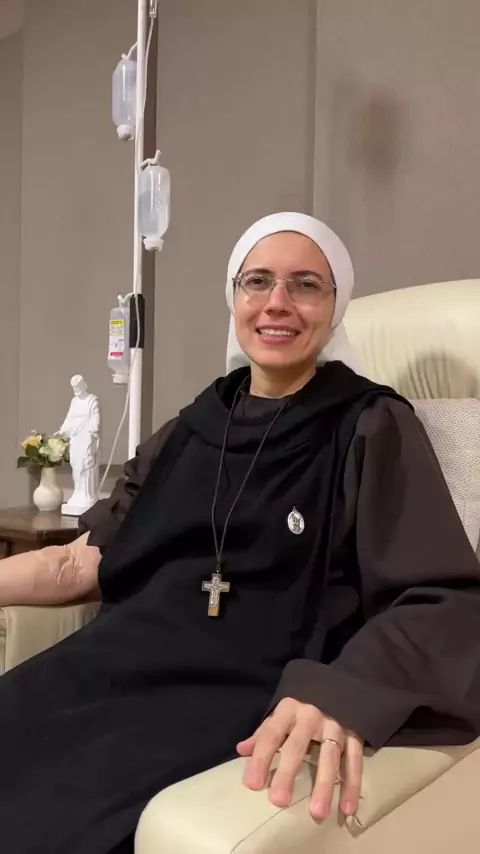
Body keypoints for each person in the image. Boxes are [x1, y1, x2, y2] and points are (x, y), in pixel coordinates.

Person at [1, 212, 480, 854]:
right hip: (107, 664)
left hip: (233, 696)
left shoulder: (372, 425)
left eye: (305, 284)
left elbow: (440, 596)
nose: (277, 301)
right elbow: (75, 563)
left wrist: (343, 692)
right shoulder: (190, 427)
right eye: (258, 281)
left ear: (334, 306)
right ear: (235, 298)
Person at [58, 374, 101, 515]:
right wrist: (62, 431)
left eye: (78, 387)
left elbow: (95, 416)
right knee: (76, 465)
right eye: (74, 388)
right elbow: (69, 418)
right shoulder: (74, 402)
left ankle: (88, 495)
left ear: (83, 385)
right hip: (76, 438)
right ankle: (78, 493)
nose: (76, 390)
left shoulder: (92, 400)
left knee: (86, 464)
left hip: (87, 437)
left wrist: (94, 426)